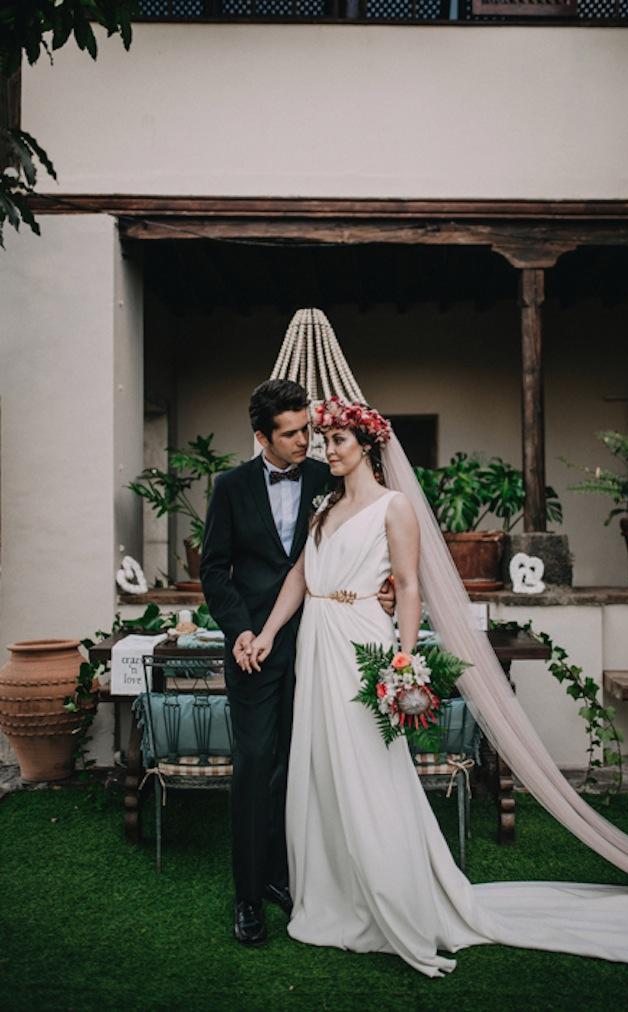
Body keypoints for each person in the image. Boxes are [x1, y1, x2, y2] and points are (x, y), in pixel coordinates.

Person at [241, 396, 628, 978]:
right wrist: (269, 632)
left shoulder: (395, 508)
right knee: (319, 766)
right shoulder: (324, 505)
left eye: (338, 442)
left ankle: (393, 897)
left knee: (368, 764)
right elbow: (300, 575)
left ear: (367, 446)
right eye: (325, 443)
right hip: (317, 641)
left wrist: (402, 657)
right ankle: (333, 892)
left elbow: (409, 586)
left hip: (360, 644)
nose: (327, 452)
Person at [200, 380, 395, 947]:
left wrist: (379, 587)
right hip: (254, 647)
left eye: (308, 429)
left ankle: (288, 874)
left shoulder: (324, 478)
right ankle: (247, 895)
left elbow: (360, 534)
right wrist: (240, 631)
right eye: (291, 434)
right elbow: (214, 570)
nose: (306, 441)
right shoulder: (230, 487)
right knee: (256, 760)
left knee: (303, 761)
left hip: (321, 643)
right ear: (262, 436)